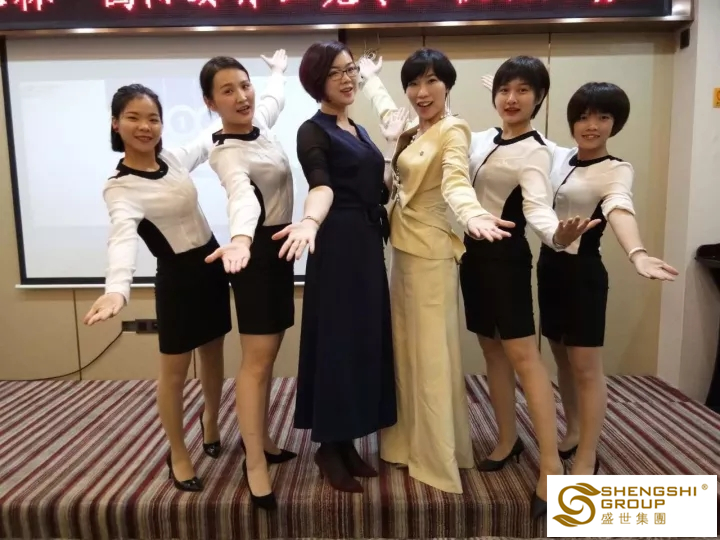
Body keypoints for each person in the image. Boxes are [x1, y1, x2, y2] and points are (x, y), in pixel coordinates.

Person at [367, 48, 515, 495]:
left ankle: (435, 455)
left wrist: (472, 215)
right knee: (405, 351)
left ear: (447, 85)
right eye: (413, 83)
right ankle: (405, 443)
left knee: (430, 356)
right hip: (403, 251)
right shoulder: (412, 130)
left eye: (431, 81)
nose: (421, 91)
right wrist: (372, 79)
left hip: (431, 253)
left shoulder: (453, 129)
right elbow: (386, 112)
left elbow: (455, 181)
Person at [83, 84, 229, 492]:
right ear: (116, 124)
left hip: (212, 265)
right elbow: (122, 237)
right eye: (133, 117)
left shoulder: (173, 159)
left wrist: (256, 96)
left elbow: (210, 137)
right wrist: (117, 289)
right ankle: (178, 453)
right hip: (177, 280)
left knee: (214, 352)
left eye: (153, 118)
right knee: (174, 372)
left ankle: (211, 419)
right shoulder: (120, 186)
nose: (145, 126)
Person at [271, 40, 396, 493]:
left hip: (365, 242)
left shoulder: (358, 129)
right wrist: (309, 221)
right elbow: (320, 185)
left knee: (362, 339)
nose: (348, 79)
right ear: (316, 81)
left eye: (351, 70)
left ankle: (347, 442)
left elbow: (379, 188)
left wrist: (392, 148)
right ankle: (329, 445)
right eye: (336, 73)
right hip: (338, 242)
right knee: (338, 343)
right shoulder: (312, 130)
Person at [534, 82, 678, 475]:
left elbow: (619, 206)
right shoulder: (559, 158)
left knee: (586, 367)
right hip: (549, 268)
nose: (591, 125)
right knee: (561, 359)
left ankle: (587, 454)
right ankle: (573, 429)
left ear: (616, 123)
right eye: (583, 117)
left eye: (602, 116)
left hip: (583, 275)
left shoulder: (616, 169)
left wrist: (637, 253)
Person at [199, 50, 297, 510]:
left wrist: (276, 73)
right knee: (256, 361)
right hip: (253, 254)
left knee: (269, 353)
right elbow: (243, 198)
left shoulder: (260, 124)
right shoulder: (226, 152)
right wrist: (240, 239)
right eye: (227, 91)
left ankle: (263, 440)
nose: (242, 96)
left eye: (245, 85)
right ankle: (254, 461)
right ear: (210, 102)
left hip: (277, 252)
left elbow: (273, 101)